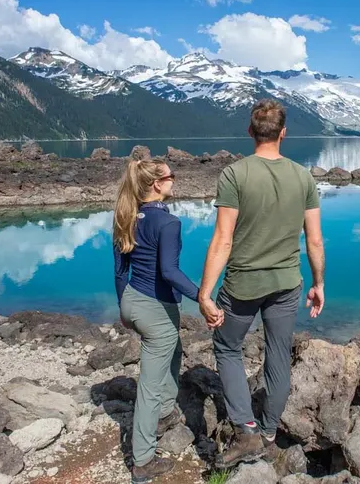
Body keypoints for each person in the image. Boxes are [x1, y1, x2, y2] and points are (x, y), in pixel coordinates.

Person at [198, 99, 326, 468]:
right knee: (278, 354)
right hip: (288, 283)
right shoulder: (303, 176)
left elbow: (223, 239)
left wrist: (205, 293)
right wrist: (318, 284)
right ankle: (269, 432)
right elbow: (314, 241)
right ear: (284, 133)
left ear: (250, 132)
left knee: (226, 347)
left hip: (242, 285)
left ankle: (247, 430)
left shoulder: (235, 174)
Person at [112, 158, 199, 483]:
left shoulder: (127, 215)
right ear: (157, 184)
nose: (174, 179)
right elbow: (170, 272)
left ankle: (164, 411)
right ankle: (143, 461)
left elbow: (120, 270)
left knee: (173, 350)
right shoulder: (168, 223)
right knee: (149, 385)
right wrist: (202, 295)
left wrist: (124, 307)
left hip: (132, 301)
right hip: (156, 308)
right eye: (170, 176)